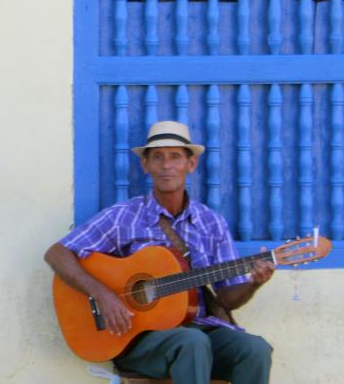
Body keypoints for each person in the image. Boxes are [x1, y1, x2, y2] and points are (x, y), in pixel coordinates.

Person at [44, 121, 275, 384]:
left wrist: (253, 284)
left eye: (175, 156)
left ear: (191, 164)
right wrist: (102, 294)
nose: (167, 165)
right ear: (146, 165)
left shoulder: (212, 223)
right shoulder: (124, 216)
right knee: (192, 342)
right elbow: (57, 253)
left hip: (198, 328)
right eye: (158, 157)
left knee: (254, 349)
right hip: (136, 339)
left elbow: (227, 298)